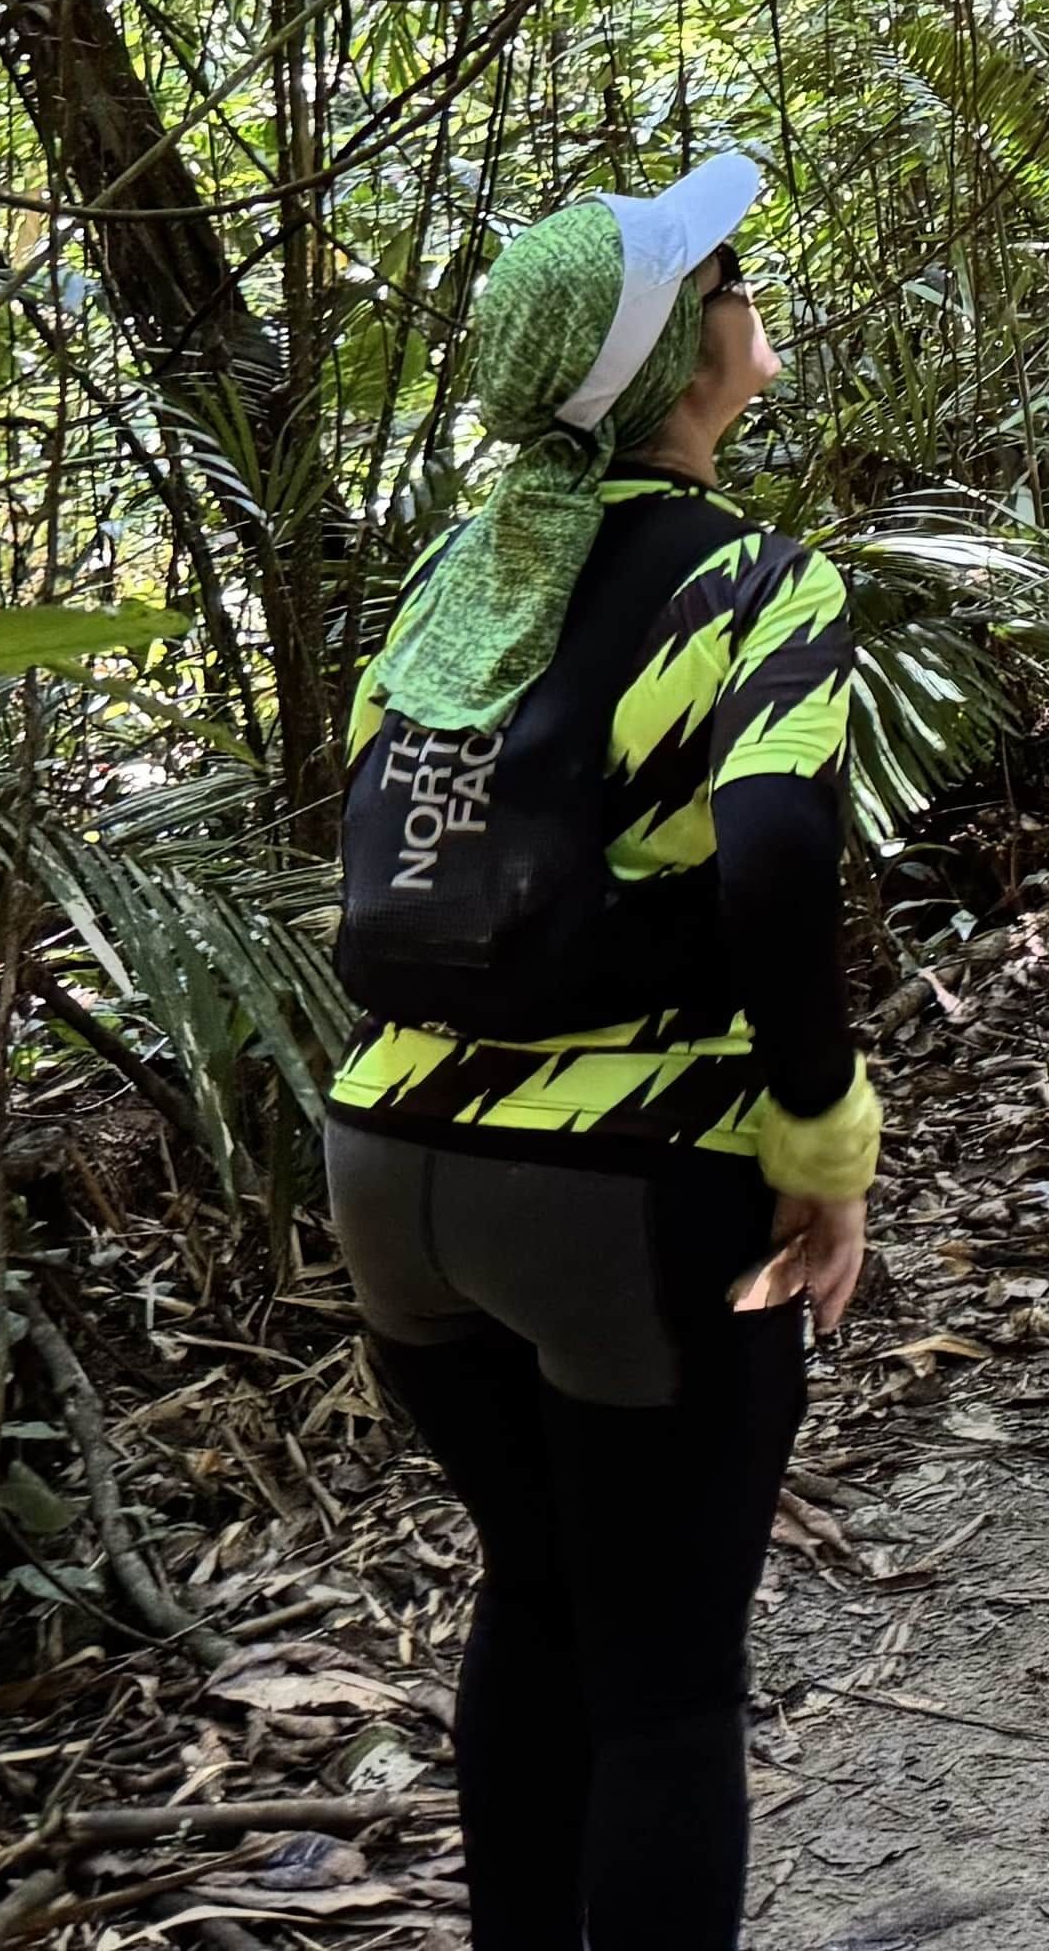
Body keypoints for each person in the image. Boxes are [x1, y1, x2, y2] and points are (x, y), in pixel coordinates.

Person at [321, 156, 875, 1951]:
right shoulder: (754, 583)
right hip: (625, 1189)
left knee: (544, 1593)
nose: (745, 292)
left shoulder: (445, 588)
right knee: (664, 1683)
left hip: (391, 1165)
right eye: (724, 276)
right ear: (678, 362)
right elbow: (781, 856)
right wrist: (819, 1133)